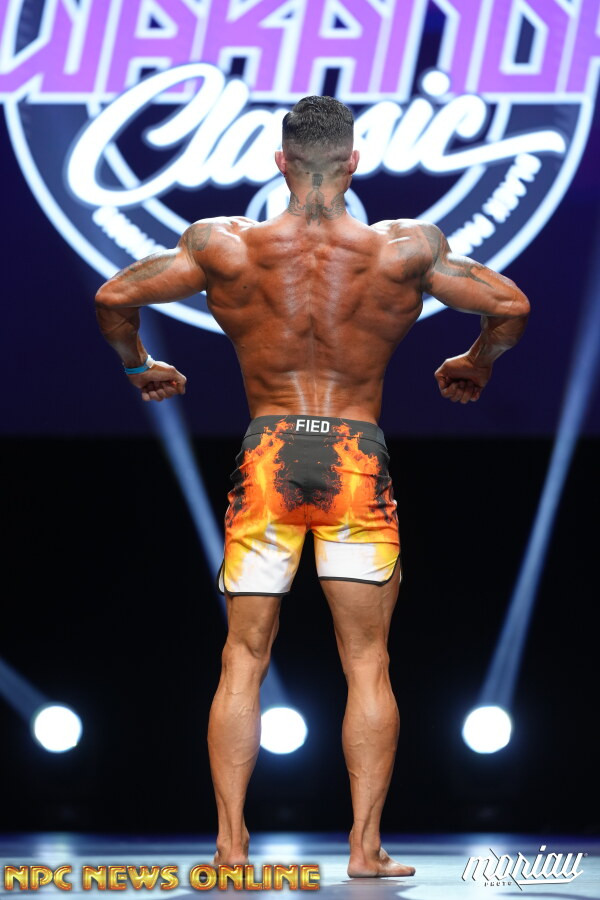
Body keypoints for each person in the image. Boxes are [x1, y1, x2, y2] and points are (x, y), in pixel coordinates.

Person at [95, 95, 529, 877]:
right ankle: (364, 848)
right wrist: (476, 363)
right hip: (355, 457)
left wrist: (140, 367)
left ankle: (231, 846)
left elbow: (113, 298)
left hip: (269, 454)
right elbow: (510, 306)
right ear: (354, 162)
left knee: (242, 655)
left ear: (279, 162)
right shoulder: (404, 249)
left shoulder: (225, 246)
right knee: (366, 661)